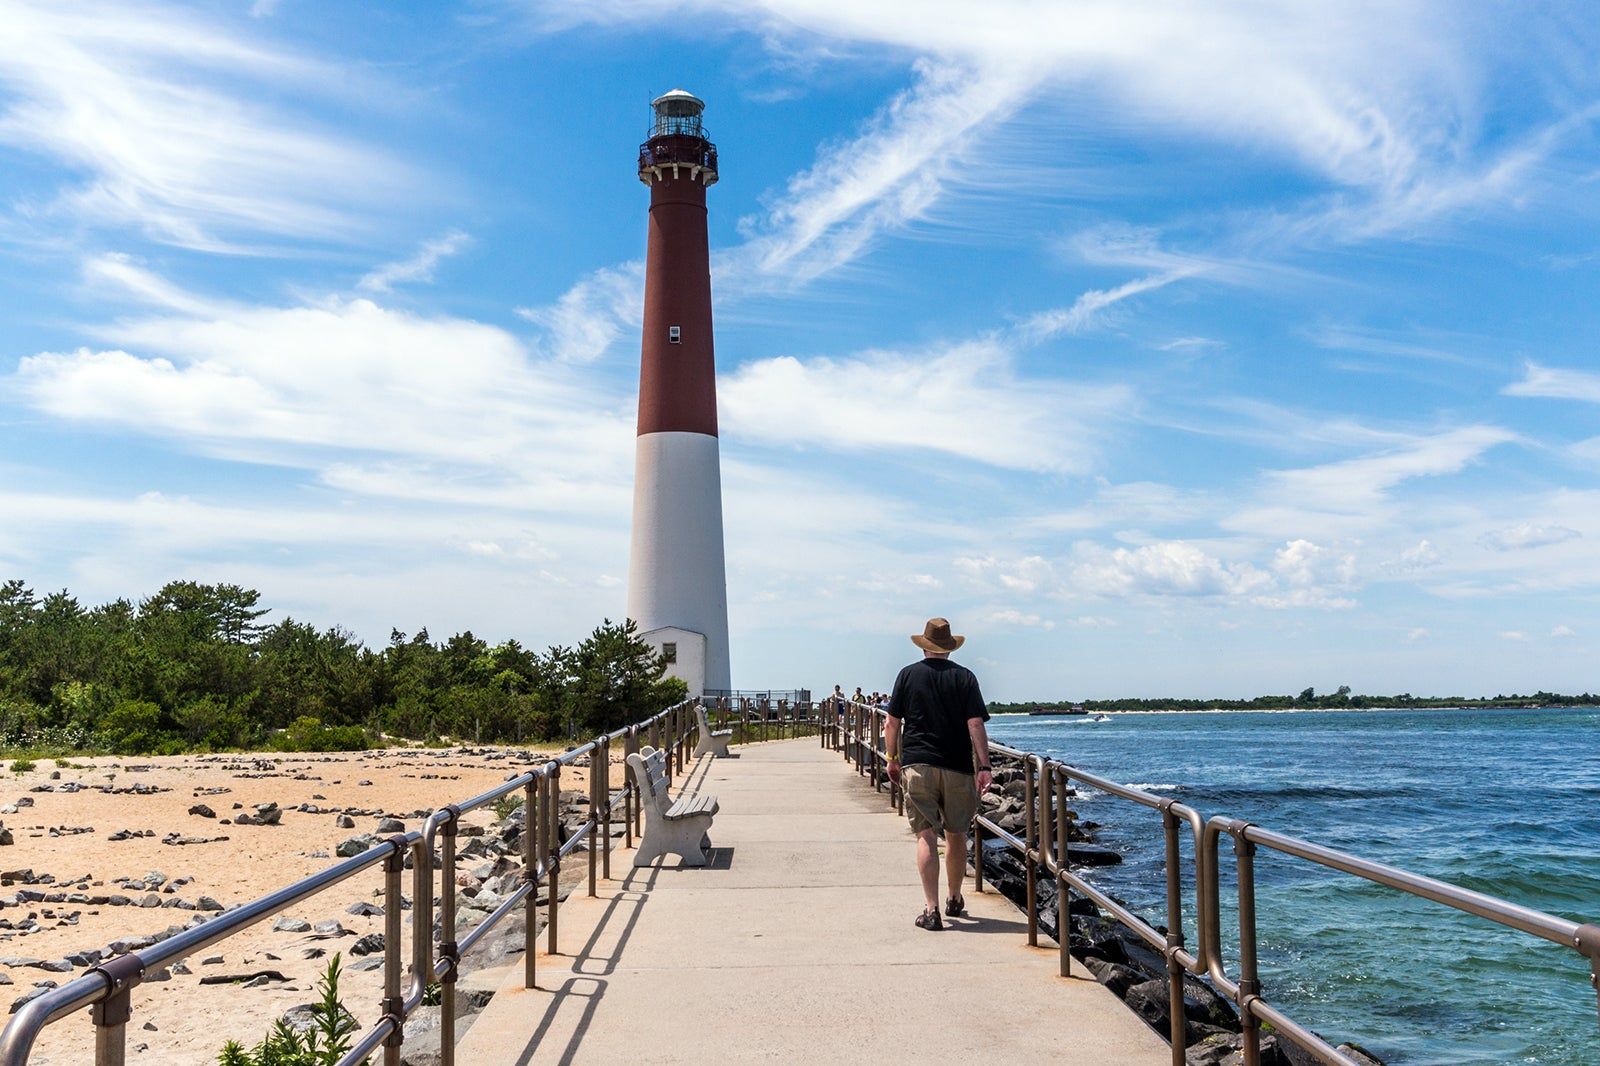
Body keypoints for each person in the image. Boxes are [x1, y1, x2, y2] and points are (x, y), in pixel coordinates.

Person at [884, 617, 992, 930]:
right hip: (957, 766)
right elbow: (975, 724)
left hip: (917, 765)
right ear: (948, 647)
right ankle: (955, 898)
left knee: (926, 836)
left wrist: (892, 758)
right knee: (957, 835)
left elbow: (892, 723)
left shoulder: (907, 675)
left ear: (925, 645)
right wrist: (983, 766)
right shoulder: (965, 677)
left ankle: (931, 911)